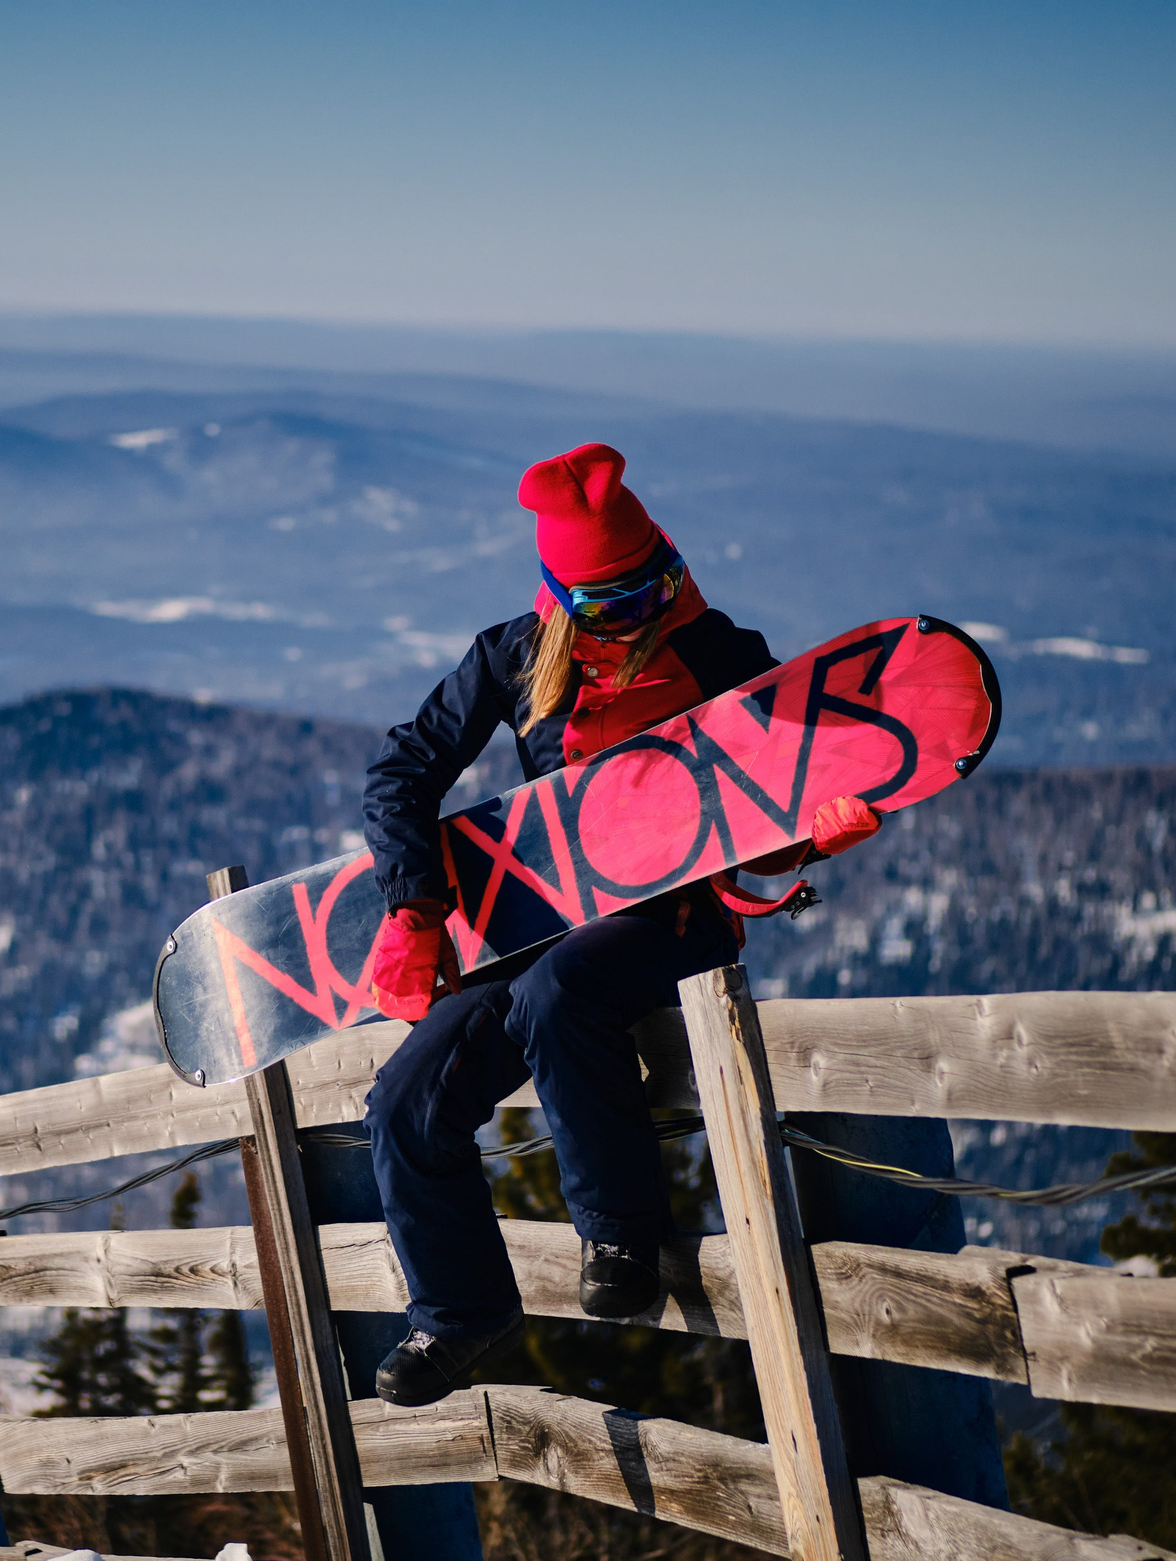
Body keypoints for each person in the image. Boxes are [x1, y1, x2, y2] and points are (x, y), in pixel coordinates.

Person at [359, 442, 879, 1407]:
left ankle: (619, 1232)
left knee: (562, 994)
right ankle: (458, 1308)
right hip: (546, 915)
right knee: (401, 1100)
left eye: (653, 588)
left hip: (680, 918)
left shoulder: (716, 650)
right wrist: (414, 906)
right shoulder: (514, 656)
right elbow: (402, 772)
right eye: (612, 604)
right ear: (562, 600)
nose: (639, 616)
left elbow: (775, 798)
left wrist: (813, 839)